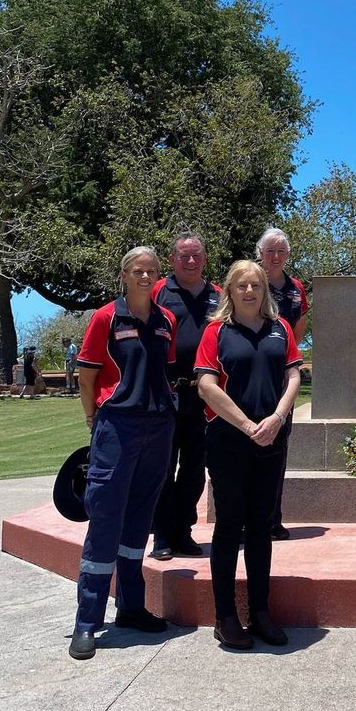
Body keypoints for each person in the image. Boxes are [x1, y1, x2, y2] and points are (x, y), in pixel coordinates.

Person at [68, 247, 177, 661]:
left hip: (158, 426)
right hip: (117, 425)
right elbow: (87, 375)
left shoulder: (167, 320)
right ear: (125, 275)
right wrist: (94, 419)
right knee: (106, 520)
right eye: (138, 270)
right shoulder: (104, 317)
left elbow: (163, 369)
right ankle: (87, 622)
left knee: (139, 521)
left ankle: (131, 608)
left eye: (151, 270)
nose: (145, 276)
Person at [196, 260, 302, 650]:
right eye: (241, 285)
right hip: (229, 440)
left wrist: (276, 418)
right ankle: (225, 617)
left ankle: (260, 613)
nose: (250, 291)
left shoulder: (281, 329)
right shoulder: (216, 332)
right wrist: (246, 425)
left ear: (264, 291)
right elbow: (206, 385)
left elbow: (293, 375)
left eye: (256, 285)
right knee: (228, 528)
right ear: (230, 291)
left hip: (271, 439)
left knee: (261, 528)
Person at [150, 234, 221, 560]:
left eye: (196, 256)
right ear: (172, 259)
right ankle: (162, 535)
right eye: (184, 256)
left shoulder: (218, 296)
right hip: (166, 396)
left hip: (204, 399)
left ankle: (183, 531)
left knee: (194, 471)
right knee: (162, 469)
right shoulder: (158, 291)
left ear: (205, 259)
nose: (190, 262)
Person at [255, 227, 308, 541]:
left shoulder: (295, 288)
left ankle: (272, 518)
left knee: (277, 448)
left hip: (281, 375)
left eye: (281, 252)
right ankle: (248, 518)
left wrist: (283, 354)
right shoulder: (249, 281)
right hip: (251, 371)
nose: (275, 257)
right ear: (260, 252)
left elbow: (298, 329)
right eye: (270, 251)